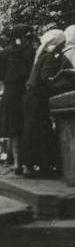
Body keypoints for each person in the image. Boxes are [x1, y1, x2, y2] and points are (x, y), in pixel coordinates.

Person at [23, 29, 75, 177]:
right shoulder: (50, 57)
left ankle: (31, 166)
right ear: (57, 44)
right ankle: (40, 167)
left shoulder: (41, 55)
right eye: (62, 43)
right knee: (41, 131)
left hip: (32, 97)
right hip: (38, 98)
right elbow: (47, 78)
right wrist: (66, 79)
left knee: (33, 131)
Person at [0, 25, 35, 175]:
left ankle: (16, 163)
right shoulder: (31, 51)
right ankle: (28, 165)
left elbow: (1, 75)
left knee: (14, 128)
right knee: (27, 125)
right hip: (26, 90)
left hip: (10, 90)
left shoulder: (5, 52)